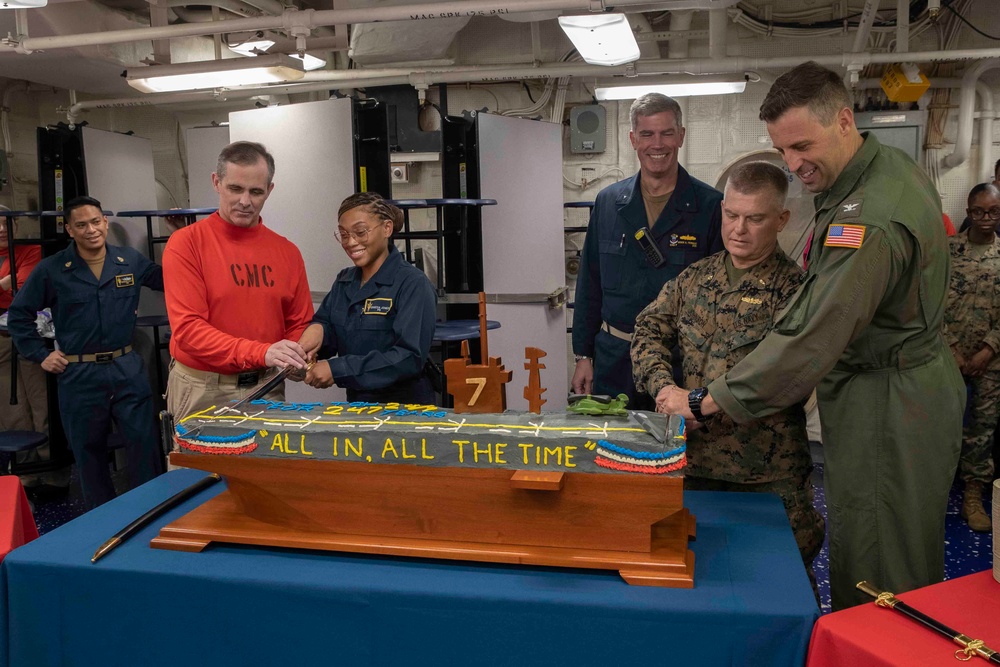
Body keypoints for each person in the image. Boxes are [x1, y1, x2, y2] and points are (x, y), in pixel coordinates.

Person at [656, 61, 964, 610]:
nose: (794, 164)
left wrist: (704, 401)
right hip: (889, 390)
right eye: (783, 150)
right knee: (885, 545)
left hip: (887, 403)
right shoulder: (880, 171)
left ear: (844, 121)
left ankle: (873, 645)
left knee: (877, 567)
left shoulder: (867, 219)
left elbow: (810, 339)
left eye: (802, 145)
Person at [631, 161, 824, 580]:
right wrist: (664, 391)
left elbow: (782, 373)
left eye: (755, 219)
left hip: (765, 472)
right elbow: (647, 330)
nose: (739, 229)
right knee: (695, 576)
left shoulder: (795, 291)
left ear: (781, 219)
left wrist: (698, 403)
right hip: (692, 465)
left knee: (781, 581)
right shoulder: (695, 279)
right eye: (732, 215)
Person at [7, 196, 165, 509]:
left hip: (126, 368)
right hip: (79, 374)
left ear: (105, 222)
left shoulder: (129, 261)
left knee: (144, 445)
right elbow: (18, 315)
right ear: (69, 229)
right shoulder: (52, 269)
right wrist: (40, 354)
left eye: (95, 222)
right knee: (88, 453)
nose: (91, 230)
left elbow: (170, 278)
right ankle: (103, 521)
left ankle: (151, 513)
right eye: (81, 225)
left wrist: (179, 235)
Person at [571, 93, 724, 409]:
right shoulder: (608, 203)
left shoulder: (710, 206)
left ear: (681, 136)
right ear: (633, 139)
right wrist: (583, 355)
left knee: (675, 442)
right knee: (613, 439)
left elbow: (719, 300)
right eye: (647, 134)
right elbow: (589, 284)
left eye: (667, 133)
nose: (657, 144)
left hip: (680, 365)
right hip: (615, 361)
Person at [163, 141, 314, 421]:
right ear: (216, 182)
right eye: (235, 189)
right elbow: (189, 330)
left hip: (266, 386)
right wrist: (263, 352)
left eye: (256, 192)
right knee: (197, 454)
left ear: (269, 190)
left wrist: (294, 356)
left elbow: (298, 322)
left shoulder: (287, 252)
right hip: (202, 389)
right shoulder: (186, 244)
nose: (245, 201)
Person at [300, 192, 437, 404]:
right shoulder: (345, 281)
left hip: (405, 408)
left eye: (360, 232)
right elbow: (329, 325)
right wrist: (316, 334)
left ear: (387, 228)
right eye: (344, 234)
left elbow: (409, 357)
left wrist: (338, 369)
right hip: (358, 405)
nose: (351, 242)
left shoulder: (413, 284)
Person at [945, 183, 1000, 533]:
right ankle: (932, 495)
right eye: (978, 211)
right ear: (968, 212)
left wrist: (988, 350)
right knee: (939, 428)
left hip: (990, 362)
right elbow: (929, 299)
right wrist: (950, 347)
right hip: (945, 358)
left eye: (993, 211)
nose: (985, 218)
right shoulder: (949, 250)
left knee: (982, 431)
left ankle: (973, 498)